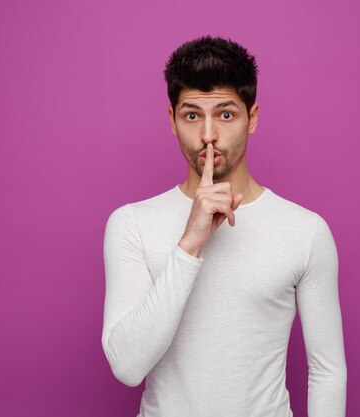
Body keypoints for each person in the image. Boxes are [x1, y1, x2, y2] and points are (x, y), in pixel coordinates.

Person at [101, 35, 347, 417]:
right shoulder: (131, 224)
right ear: (172, 120)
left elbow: (327, 369)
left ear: (253, 118)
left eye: (226, 114)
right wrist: (189, 244)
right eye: (192, 115)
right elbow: (127, 366)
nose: (209, 134)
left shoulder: (306, 231)